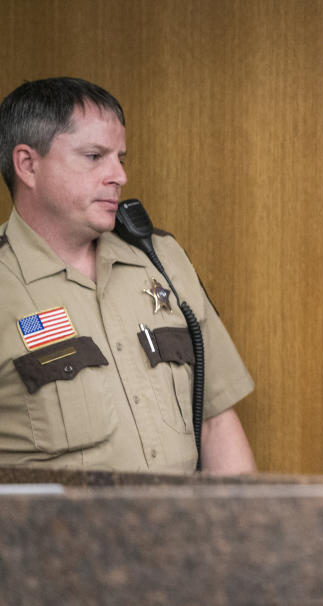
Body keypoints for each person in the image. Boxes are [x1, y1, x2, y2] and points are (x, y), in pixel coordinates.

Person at [0, 77, 256, 474]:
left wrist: (242, 533)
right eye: (94, 156)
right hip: (54, 536)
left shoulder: (160, 257)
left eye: (121, 157)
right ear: (28, 165)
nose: (119, 175)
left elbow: (216, 423)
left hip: (180, 533)